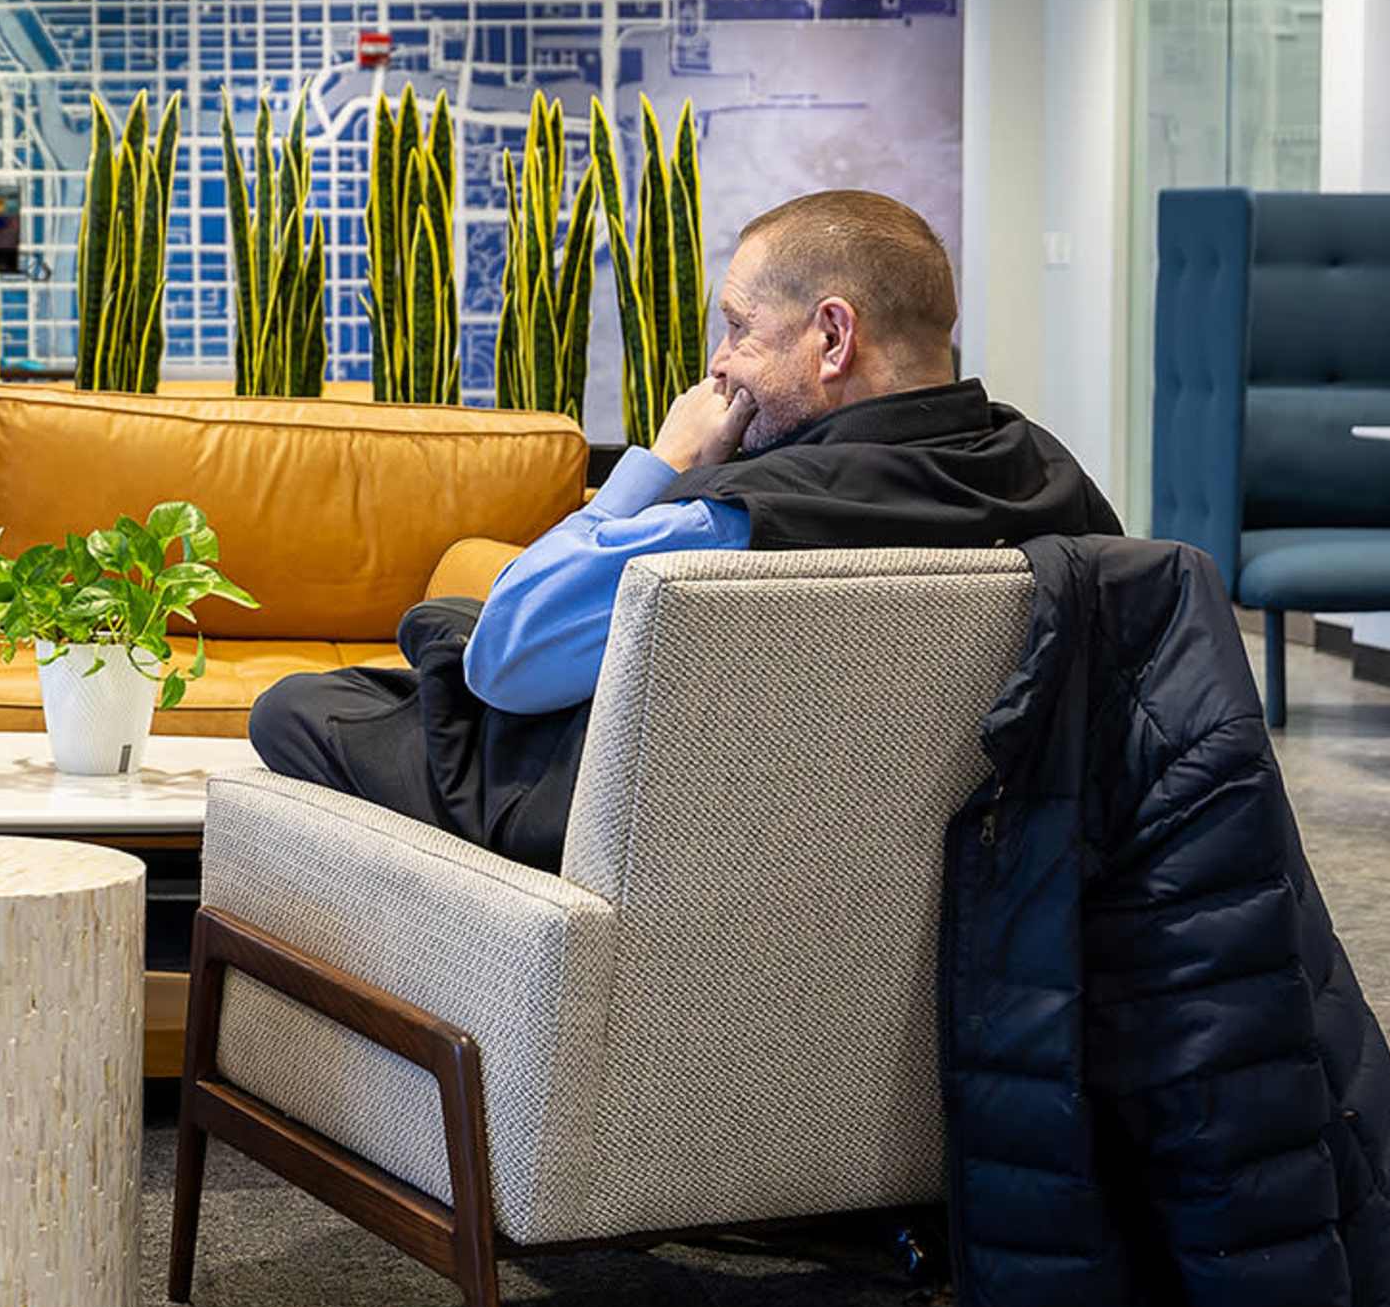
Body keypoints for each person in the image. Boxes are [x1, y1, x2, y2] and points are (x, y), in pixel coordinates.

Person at [250, 187, 1119, 868]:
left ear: (833, 335)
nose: (719, 362)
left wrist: (661, 464)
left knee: (302, 705)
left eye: (739, 327)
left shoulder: (737, 520)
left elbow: (506, 657)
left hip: (635, 817)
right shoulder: (1059, 487)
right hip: (926, 850)